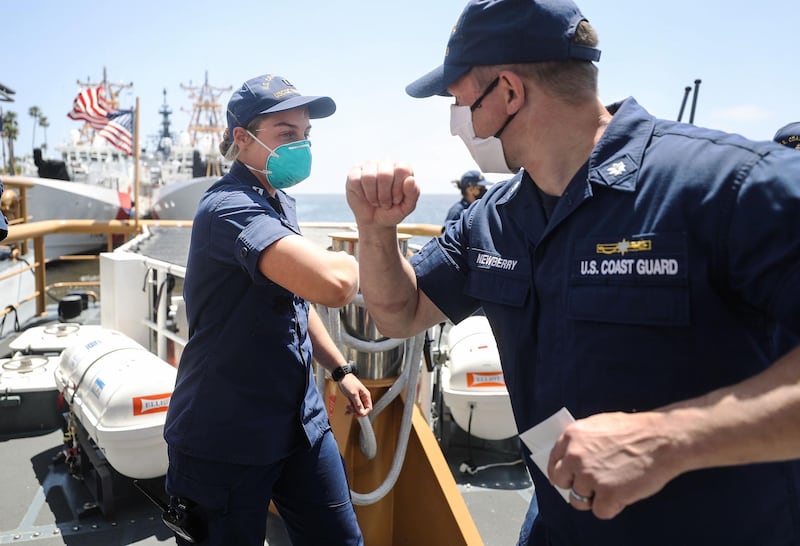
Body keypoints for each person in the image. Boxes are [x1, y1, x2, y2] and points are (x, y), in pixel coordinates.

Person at [344, 0, 800, 544]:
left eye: (460, 103)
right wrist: (375, 231)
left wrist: (667, 439)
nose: (456, 127)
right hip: (558, 525)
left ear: (509, 92)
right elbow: (401, 312)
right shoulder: (493, 220)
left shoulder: (729, 186)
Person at [163, 73, 373, 546]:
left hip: (300, 425)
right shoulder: (229, 208)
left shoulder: (277, 201)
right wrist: (368, 238)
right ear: (243, 138)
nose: (301, 147)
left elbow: (295, 298)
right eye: (286, 135)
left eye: (305, 136)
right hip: (226, 435)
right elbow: (334, 284)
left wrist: (340, 369)